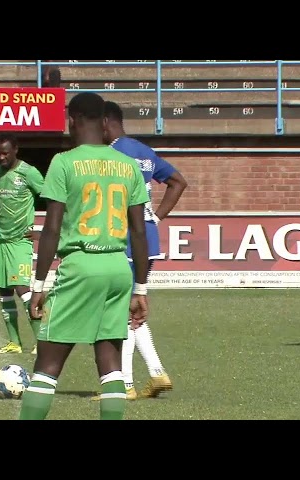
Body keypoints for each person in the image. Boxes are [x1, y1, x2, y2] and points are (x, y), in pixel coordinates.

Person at [19, 92, 150, 421]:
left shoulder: (64, 162)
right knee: (110, 363)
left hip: (80, 266)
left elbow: (50, 229)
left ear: (71, 120)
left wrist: (38, 284)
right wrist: (141, 289)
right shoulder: (127, 165)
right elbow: (139, 231)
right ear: (105, 122)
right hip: (118, 269)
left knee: (47, 365)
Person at [96, 100, 188, 400]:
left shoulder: (110, 154)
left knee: (119, 314)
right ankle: (157, 373)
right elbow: (178, 182)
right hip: (147, 239)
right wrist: (156, 217)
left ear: (106, 122)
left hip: (125, 238)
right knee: (132, 312)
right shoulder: (144, 152)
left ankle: (124, 385)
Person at [0, 134, 45, 355]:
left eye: (5, 153)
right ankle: (14, 342)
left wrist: (44, 232)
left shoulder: (29, 173)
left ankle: (42, 341)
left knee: (22, 289)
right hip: (0, 241)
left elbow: (54, 198)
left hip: (20, 241)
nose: (1, 157)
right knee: (4, 290)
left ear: (15, 151)